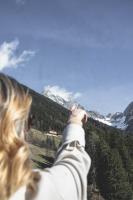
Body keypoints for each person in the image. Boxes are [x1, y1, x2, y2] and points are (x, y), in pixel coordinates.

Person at [0, 73, 91, 200]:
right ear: (11, 128)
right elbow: (72, 173)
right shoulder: (26, 191)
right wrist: (75, 122)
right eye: (28, 121)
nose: (28, 129)